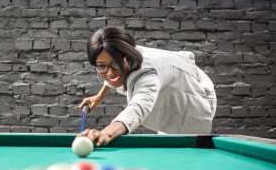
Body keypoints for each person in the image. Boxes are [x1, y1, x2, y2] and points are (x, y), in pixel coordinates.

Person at [78, 26, 216, 146]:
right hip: (173, 84)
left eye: (116, 64)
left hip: (195, 95)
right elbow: (112, 74)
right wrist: (99, 97)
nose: (109, 72)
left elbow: (138, 107)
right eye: (101, 66)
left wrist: (105, 134)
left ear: (128, 57)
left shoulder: (147, 73)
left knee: (180, 149)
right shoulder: (121, 52)